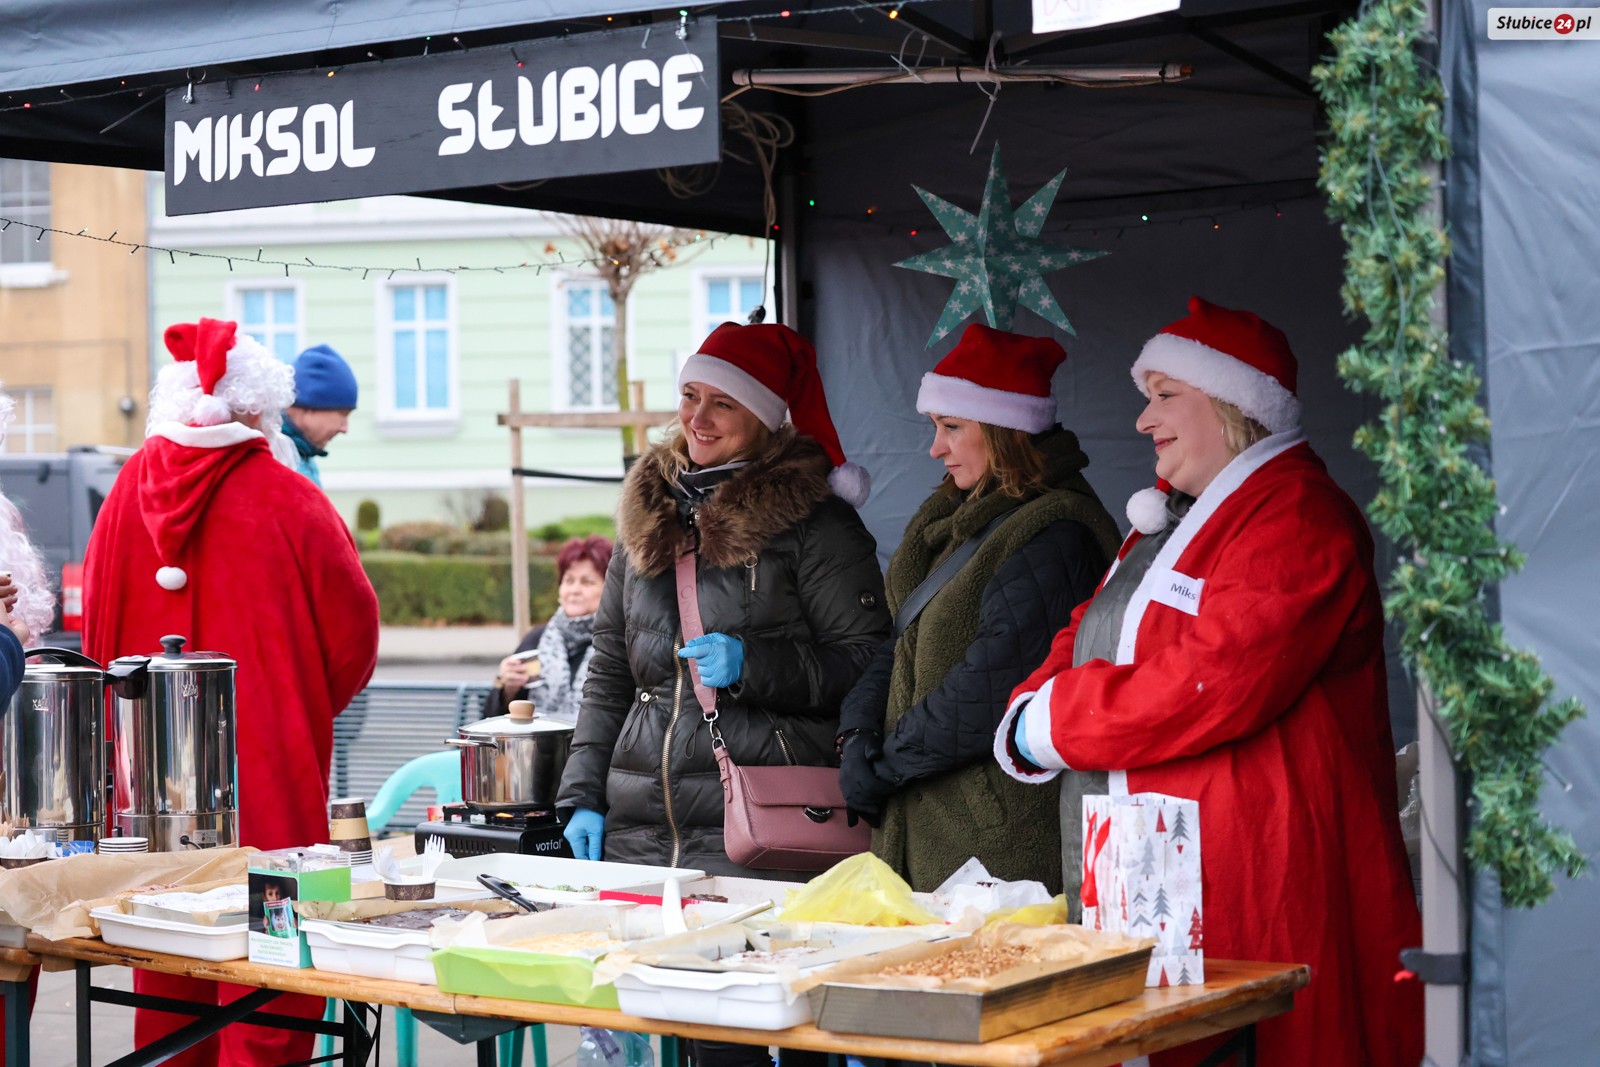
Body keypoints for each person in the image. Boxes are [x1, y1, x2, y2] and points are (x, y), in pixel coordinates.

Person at [994, 297, 1422, 1066]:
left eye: (1164, 396)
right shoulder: (1174, 517)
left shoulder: (1296, 515)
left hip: (1261, 876)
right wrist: (1033, 702)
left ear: (1232, 405)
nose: (1141, 420)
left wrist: (1054, 722)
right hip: (1164, 879)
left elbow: (1212, 679)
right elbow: (1091, 625)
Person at [84, 317, 380, 1067]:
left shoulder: (122, 496)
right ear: (256, 411)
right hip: (271, 789)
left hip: (154, 795)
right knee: (273, 978)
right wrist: (293, 710)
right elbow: (354, 638)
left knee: (164, 972)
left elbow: (96, 640)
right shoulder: (291, 498)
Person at [557, 320, 890, 869]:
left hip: (760, 827)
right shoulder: (647, 512)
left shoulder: (818, 524)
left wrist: (752, 664)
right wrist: (582, 795)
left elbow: (870, 664)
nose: (698, 419)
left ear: (762, 417)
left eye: (723, 404)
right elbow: (610, 670)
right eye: (690, 396)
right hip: (636, 831)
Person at [835, 324, 1123, 895]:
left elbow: (993, 686)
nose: (935, 448)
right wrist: (856, 734)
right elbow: (902, 641)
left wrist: (884, 766)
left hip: (996, 847)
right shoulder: (957, 520)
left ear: (1004, 430)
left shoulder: (1054, 533)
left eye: (952, 427)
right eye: (935, 427)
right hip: (940, 830)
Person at [484, 534, 613, 721]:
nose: (574, 590)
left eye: (587, 582)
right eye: (569, 581)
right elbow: (492, 718)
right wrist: (507, 689)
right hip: (539, 748)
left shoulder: (618, 642)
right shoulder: (537, 640)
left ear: (610, 589)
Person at [282, 342, 358, 485]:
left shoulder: (303, 456)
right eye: (343, 414)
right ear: (309, 407)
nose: (345, 428)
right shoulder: (277, 457)